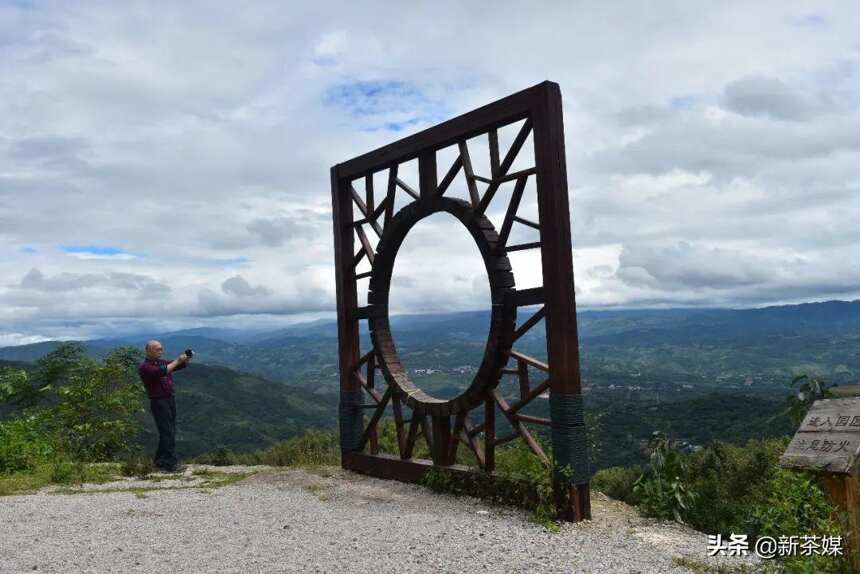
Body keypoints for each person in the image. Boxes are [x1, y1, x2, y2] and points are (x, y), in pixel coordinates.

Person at [137, 340, 191, 472]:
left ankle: (159, 461)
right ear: (148, 351)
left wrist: (186, 358)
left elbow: (177, 366)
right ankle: (170, 464)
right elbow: (163, 371)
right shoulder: (145, 367)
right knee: (167, 433)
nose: (160, 351)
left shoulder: (160, 362)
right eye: (157, 349)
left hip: (169, 399)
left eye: (161, 349)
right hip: (159, 401)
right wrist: (177, 360)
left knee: (168, 432)